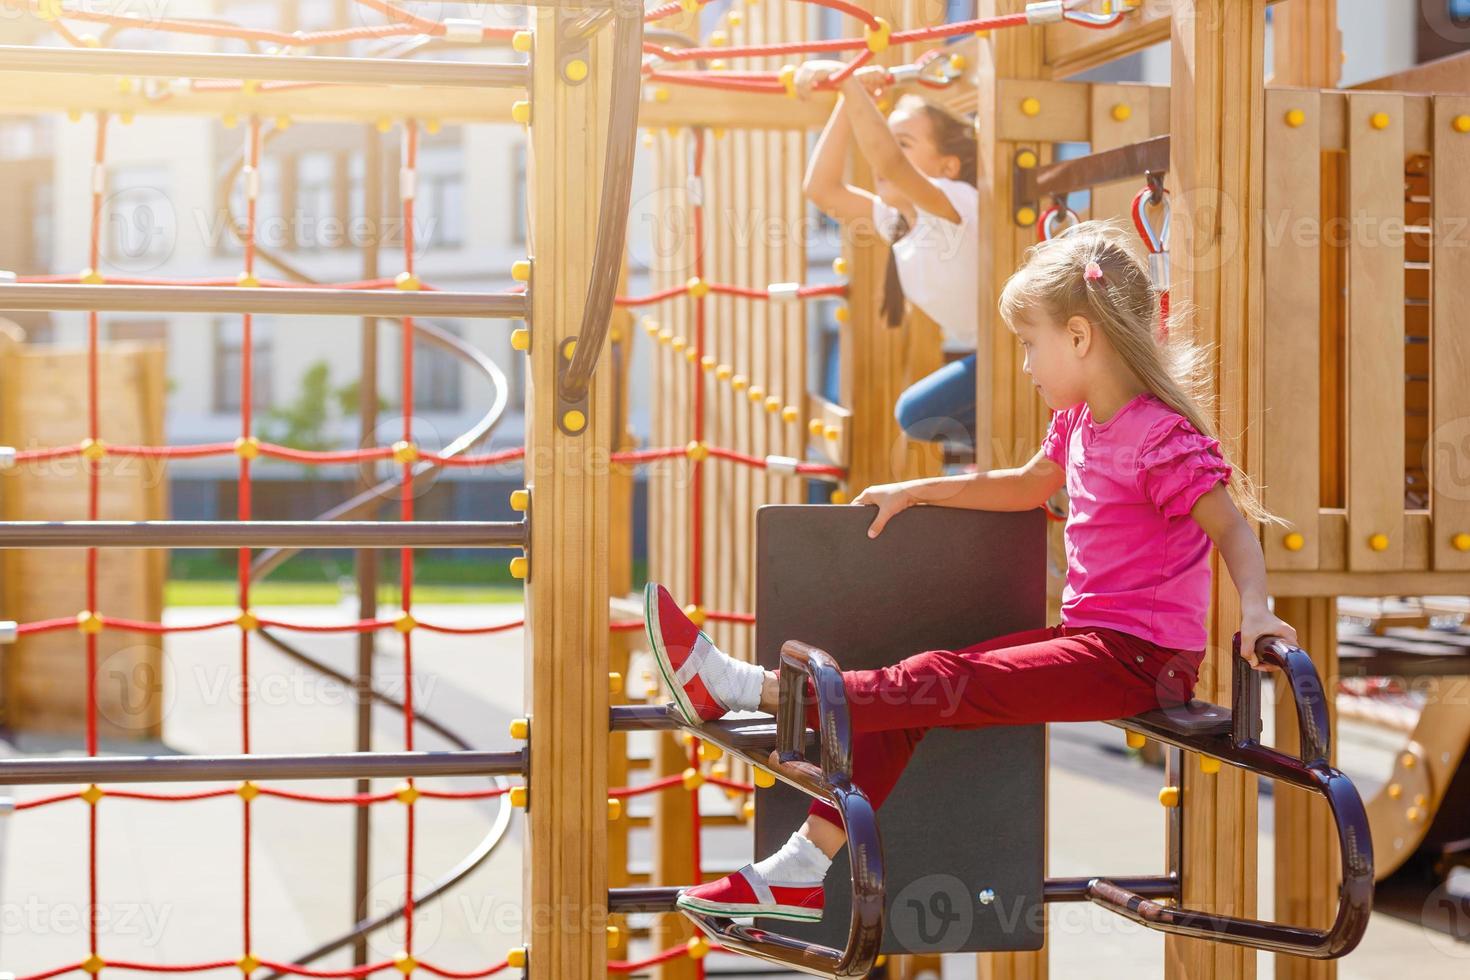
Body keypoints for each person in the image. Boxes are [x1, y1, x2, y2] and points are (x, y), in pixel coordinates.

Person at [643, 221, 1297, 922]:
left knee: (941, 679)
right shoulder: (1078, 424)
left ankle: (753, 690)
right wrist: (916, 490)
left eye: (1028, 344)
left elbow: (1230, 525)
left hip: (1142, 659)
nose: (1024, 366)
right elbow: (1024, 485)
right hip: (1093, 642)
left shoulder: (1158, 438)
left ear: (1079, 338)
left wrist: (1255, 611)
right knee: (908, 702)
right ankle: (800, 872)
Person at [799, 59, 980, 452]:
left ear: (947, 166)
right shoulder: (898, 220)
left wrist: (849, 83)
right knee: (917, 417)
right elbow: (822, 189)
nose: (883, 150)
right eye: (888, 135)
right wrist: (848, 102)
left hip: (1018, 351)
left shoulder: (958, 204)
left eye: (905, 141)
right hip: (988, 357)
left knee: (915, 412)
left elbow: (889, 163)